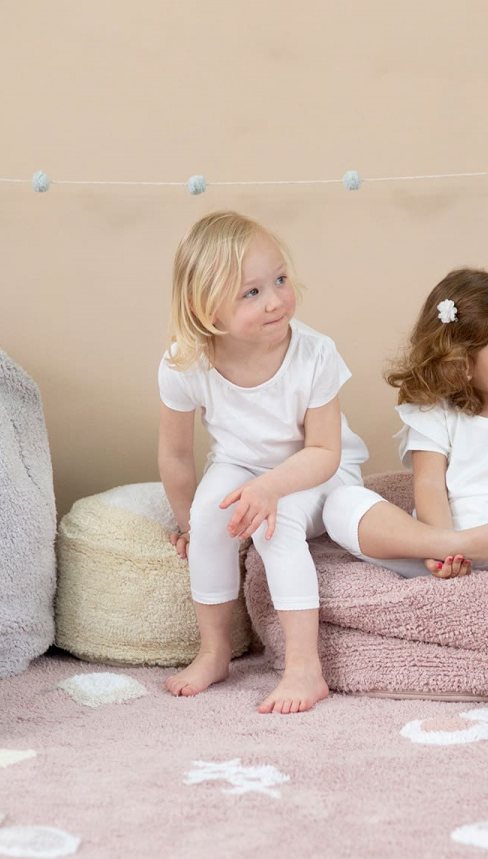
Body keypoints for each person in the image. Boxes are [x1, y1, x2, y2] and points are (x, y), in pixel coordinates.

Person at [323, 268, 488, 722]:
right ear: (462, 364)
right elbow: (427, 484)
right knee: (338, 502)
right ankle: (451, 548)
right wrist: (444, 546)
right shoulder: (435, 412)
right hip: (438, 544)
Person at [157, 210, 368, 714]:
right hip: (241, 466)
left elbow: (323, 451)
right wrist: (190, 524)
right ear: (204, 308)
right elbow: (176, 455)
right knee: (212, 514)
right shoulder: (185, 362)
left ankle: (304, 668)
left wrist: (271, 491)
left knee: (275, 526)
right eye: (251, 292)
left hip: (319, 474)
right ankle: (214, 650)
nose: (275, 300)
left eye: (279, 280)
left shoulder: (315, 353)